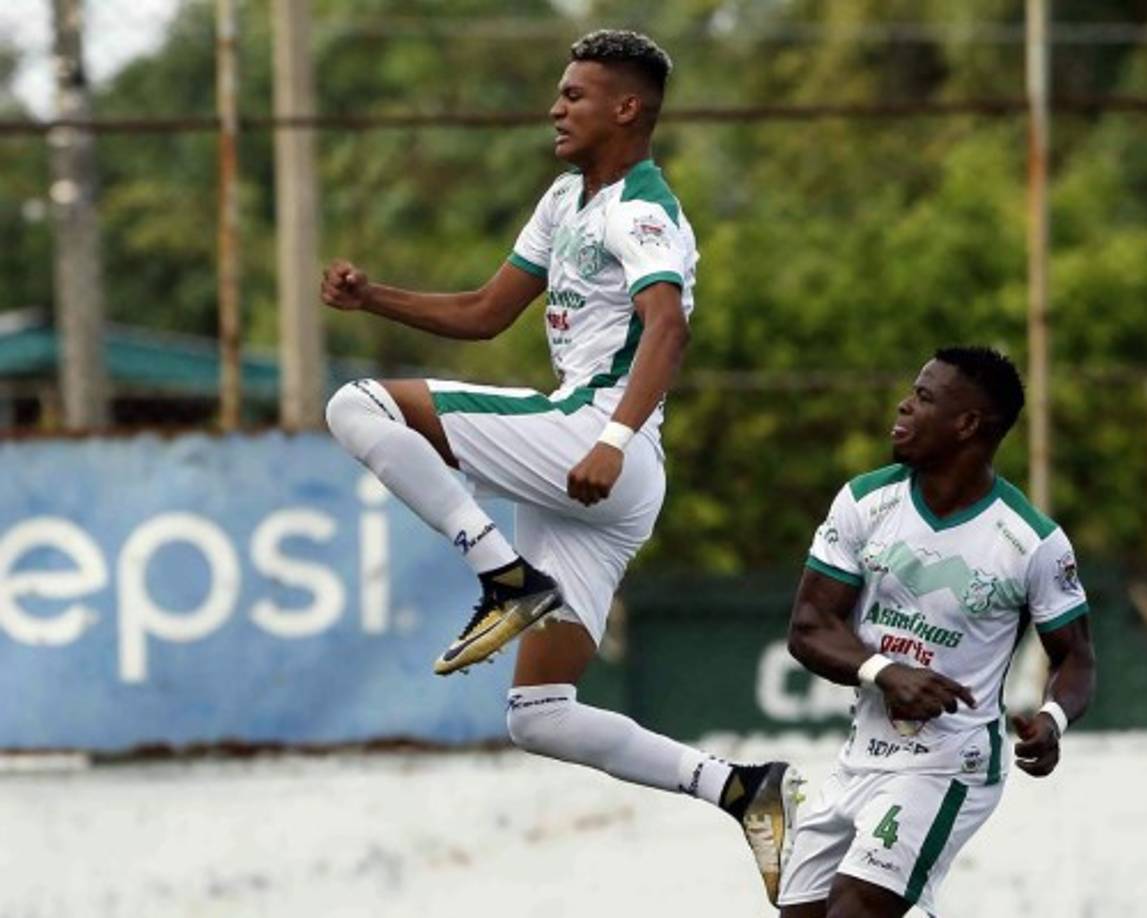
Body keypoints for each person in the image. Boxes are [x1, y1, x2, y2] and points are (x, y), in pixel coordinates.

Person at [321, 29, 802, 904]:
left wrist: (609, 439)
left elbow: (667, 328)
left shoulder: (642, 209)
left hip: (593, 438)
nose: (555, 108)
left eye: (574, 95)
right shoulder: (564, 200)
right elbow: (483, 312)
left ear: (627, 108)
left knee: (357, 406)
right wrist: (373, 296)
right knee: (539, 717)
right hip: (594, 474)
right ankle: (741, 788)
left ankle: (505, 578)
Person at [778, 346, 1097, 917]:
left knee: (855, 907)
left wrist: (1053, 720)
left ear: (967, 424)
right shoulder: (864, 502)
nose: (904, 405)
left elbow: (1076, 658)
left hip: (951, 764)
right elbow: (808, 626)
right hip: (859, 758)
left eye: (924, 398)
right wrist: (887, 673)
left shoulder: (1032, 542)